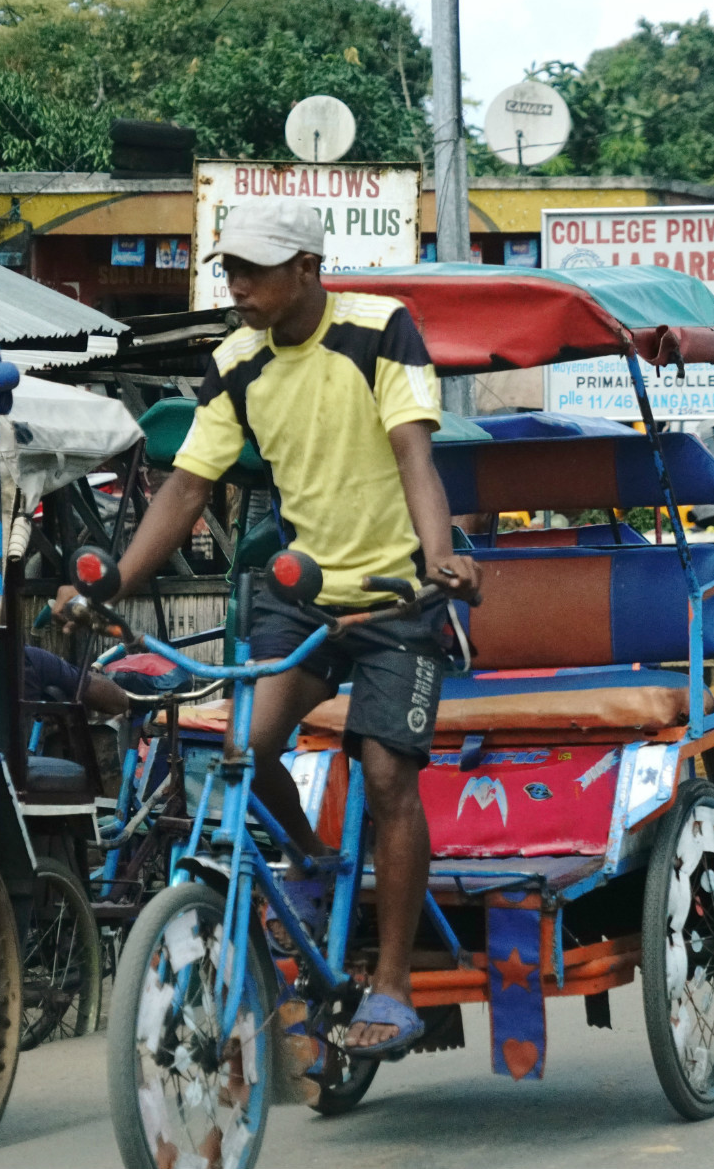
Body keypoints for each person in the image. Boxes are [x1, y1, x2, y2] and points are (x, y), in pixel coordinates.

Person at [54, 197, 479, 1058]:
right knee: (248, 748)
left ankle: (394, 988)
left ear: (307, 272)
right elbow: (186, 486)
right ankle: (319, 870)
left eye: (251, 271)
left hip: (399, 593)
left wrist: (440, 558)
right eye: (230, 270)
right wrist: (113, 587)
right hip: (306, 589)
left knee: (388, 772)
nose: (235, 287)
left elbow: (413, 454)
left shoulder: (379, 330)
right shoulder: (236, 360)